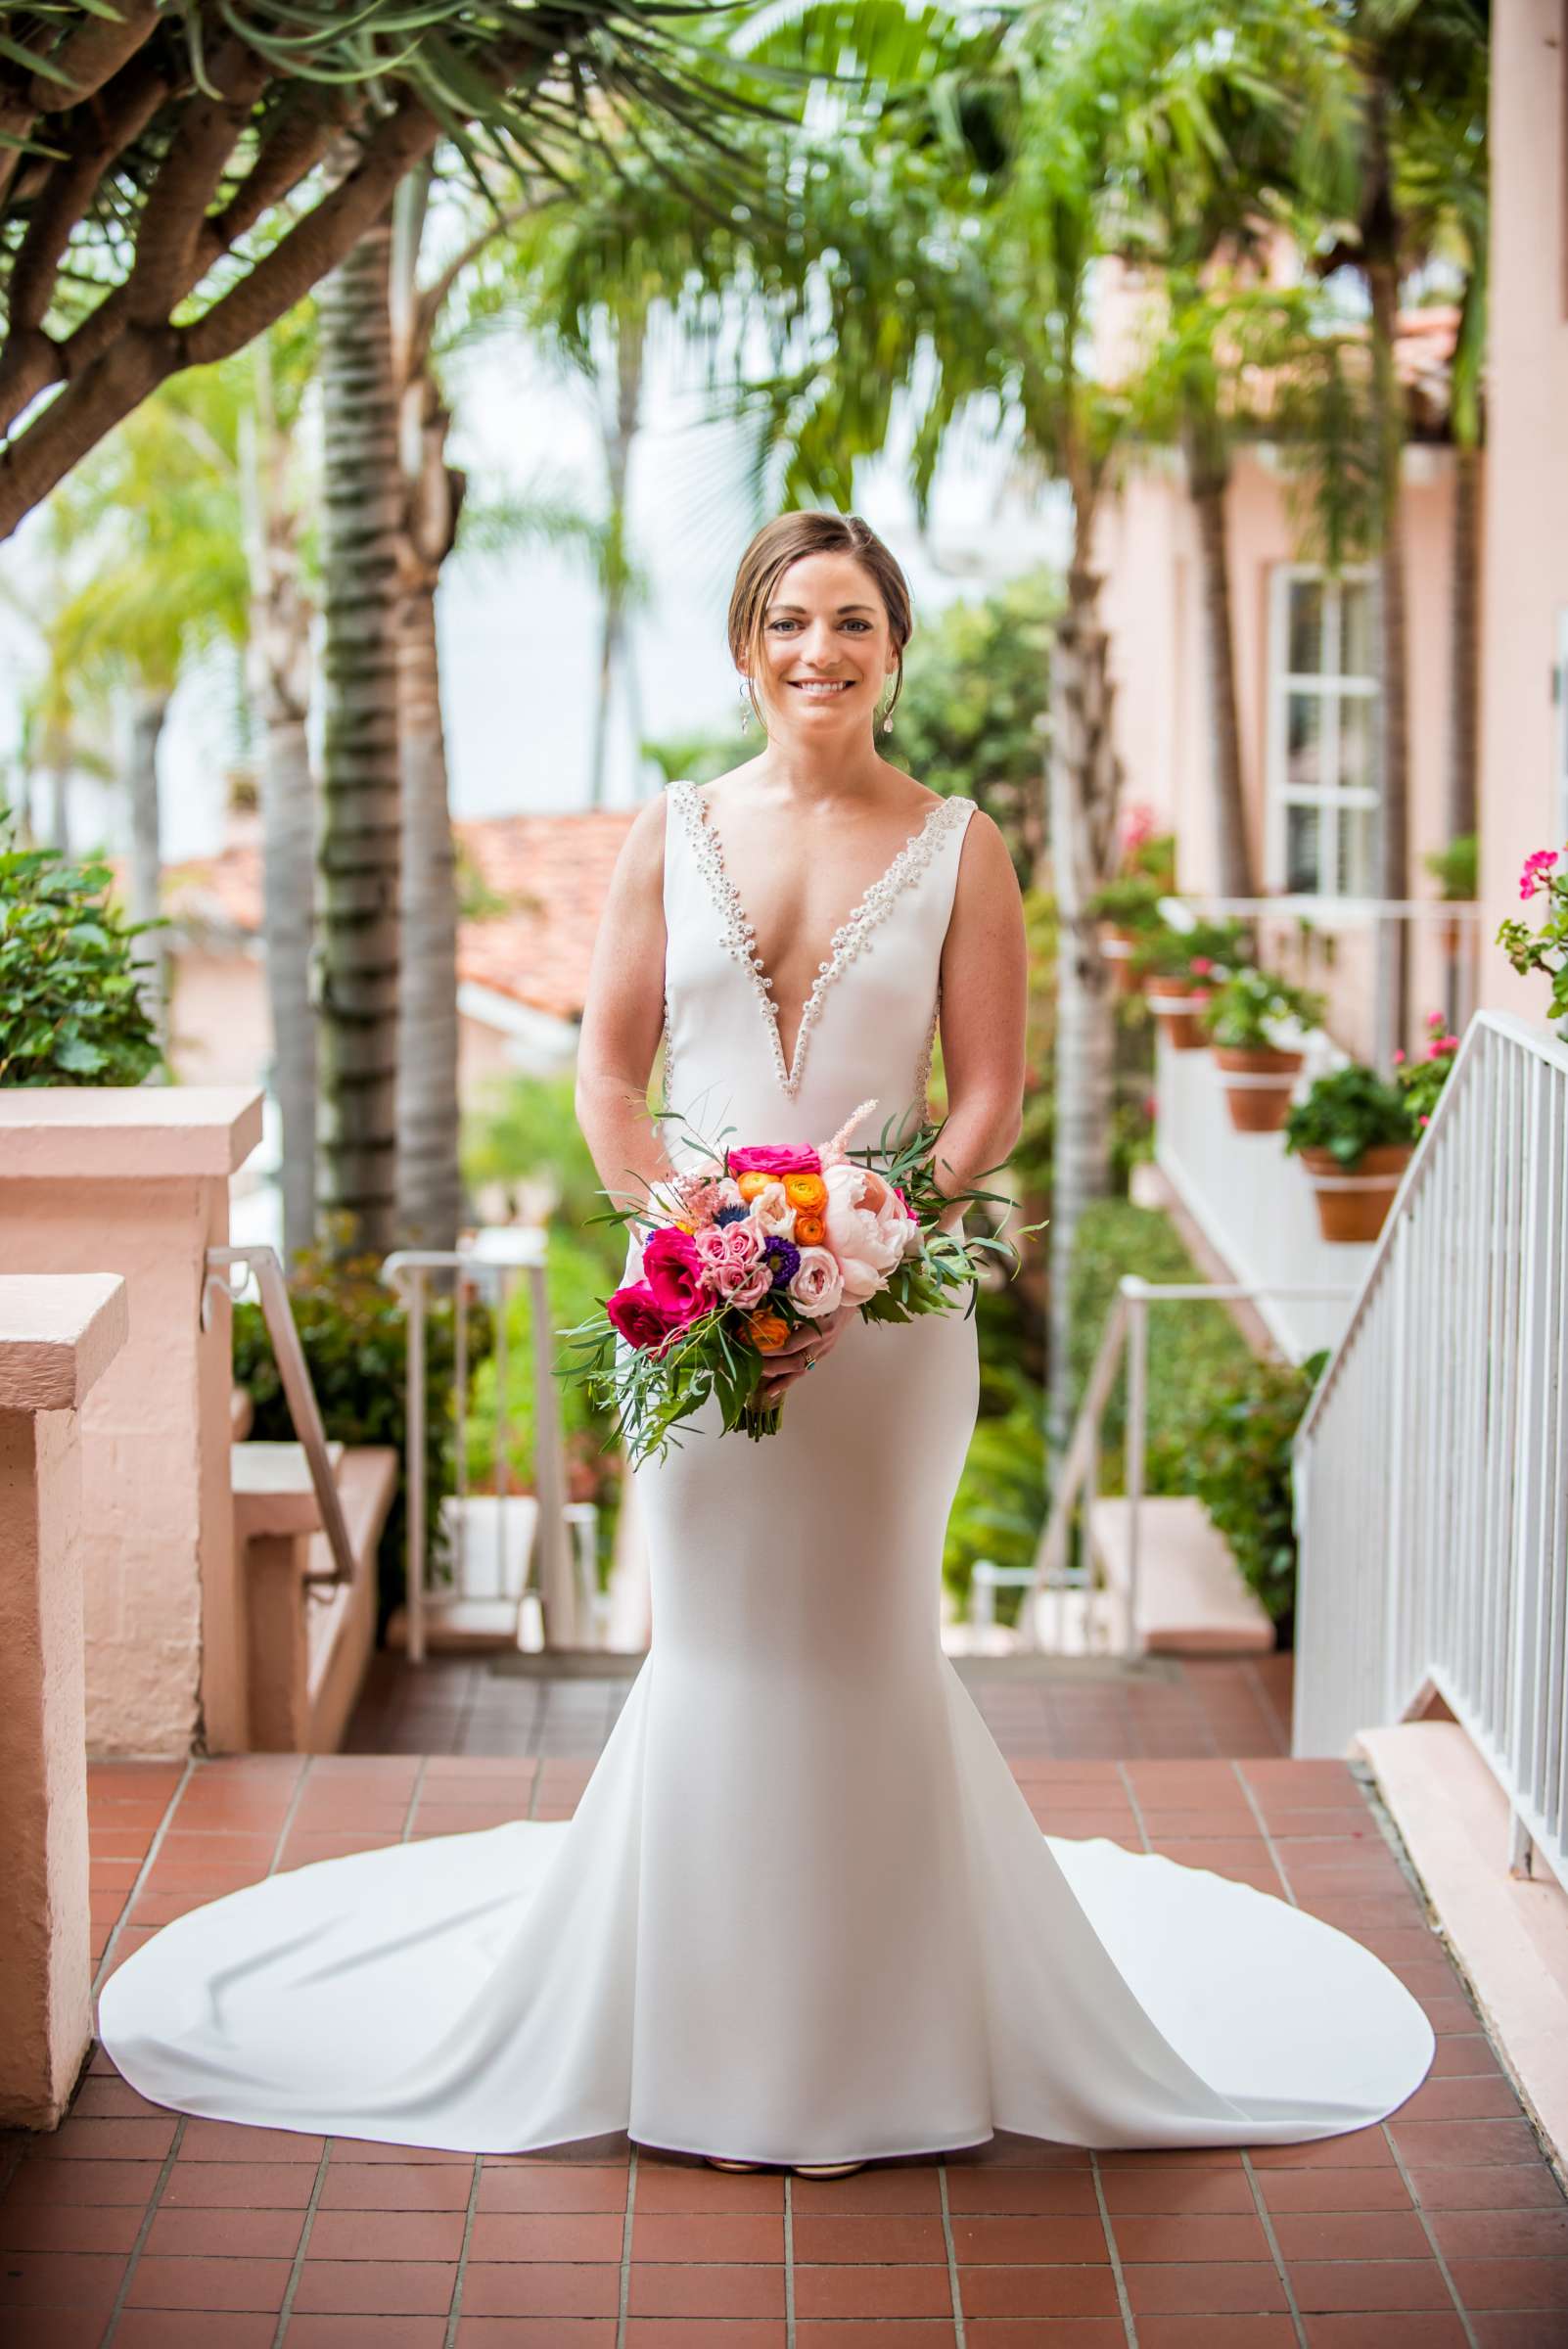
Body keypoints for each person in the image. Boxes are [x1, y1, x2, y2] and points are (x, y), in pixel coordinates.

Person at [98, 511, 1433, 2172]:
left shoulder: (965, 844)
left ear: (894, 649)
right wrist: (694, 1236)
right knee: (718, 1649)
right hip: (692, 1316)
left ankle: (886, 2042)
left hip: (886, 1336)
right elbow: (605, 1076)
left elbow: (993, 1101)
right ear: (743, 646)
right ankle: (704, 2039)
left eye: (855, 621)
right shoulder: (674, 831)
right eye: (789, 620)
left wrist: (857, 1242)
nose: (821, 650)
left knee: (866, 1641)